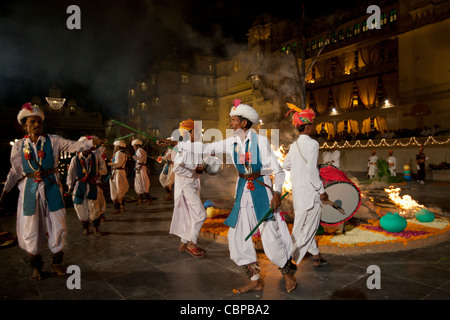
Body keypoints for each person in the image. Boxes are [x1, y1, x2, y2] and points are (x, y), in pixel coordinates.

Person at [157, 99, 296, 294]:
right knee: (237, 236)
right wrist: (176, 145)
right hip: (243, 191)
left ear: (244, 123)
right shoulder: (231, 142)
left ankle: (287, 273)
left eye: (233, 120)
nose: (230, 124)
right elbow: (204, 148)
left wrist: (276, 193)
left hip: (262, 190)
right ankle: (255, 279)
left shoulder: (261, 141)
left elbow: (278, 171)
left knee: (270, 233)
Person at [0, 103, 106, 280]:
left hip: (51, 186)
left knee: (59, 225)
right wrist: (5, 190)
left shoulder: (54, 140)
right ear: (24, 125)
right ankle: (36, 266)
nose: (36, 125)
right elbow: (15, 171)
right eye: (32, 122)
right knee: (30, 227)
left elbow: (73, 146)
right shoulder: (19, 146)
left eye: (39, 122)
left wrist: (92, 142)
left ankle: (56, 263)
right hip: (30, 188)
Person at [283, 103, 329, 269]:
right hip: (311, 194)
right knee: (308, 229)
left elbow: (286, 165)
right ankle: (287, 258)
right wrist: (321, 190)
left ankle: (315, 255)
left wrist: (298, 169)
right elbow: (311, 170)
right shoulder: (313, 144)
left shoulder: (294, 146)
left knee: (299, 227)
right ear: (308, 127)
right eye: (312, 124)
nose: (313, 127)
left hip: (298, 195)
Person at [169, 119, 207, 258]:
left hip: (192, 185)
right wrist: (194, 171)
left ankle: (184, 242)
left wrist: (200, 168)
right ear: (188, 133)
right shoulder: (185, 148)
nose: (198, 134)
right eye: (196, 131)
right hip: (187, 187)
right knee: (201, 214)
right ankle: (192, 243)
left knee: (191, 214)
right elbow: (178, 168)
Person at [66, 136, 106, 235]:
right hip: (80, 185)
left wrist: (98, 178)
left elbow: (101, 154)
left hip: (92, 185)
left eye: (89, 146)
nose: (87, 149)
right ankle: (86, 227)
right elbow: (71, 174)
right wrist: (70, 186)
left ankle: (96, 228)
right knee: (80, 207)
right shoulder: (75, 160)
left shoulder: (95, 157)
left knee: (94, 206)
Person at [108, 140, 129, 214]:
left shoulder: (118, 154)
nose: (114, 148)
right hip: (121, 172)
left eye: (115, 146)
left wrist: (109, 163)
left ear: (118, 147)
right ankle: (122, 207)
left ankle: (117, 209)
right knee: (120, 189)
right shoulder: (124, 154)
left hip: (118, 173)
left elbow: (117, 164)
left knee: (116, 190)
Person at [131, 139, 152, 205]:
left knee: (143, 183)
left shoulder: (139, 150)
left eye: (134, 146)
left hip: (141, 168)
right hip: (139, 168)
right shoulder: (139, 150)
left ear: (136, 145)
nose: (133, 147)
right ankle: (141, 199)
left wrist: (133, 157)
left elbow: (140, 159)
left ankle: (149, 199)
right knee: (138, 183)